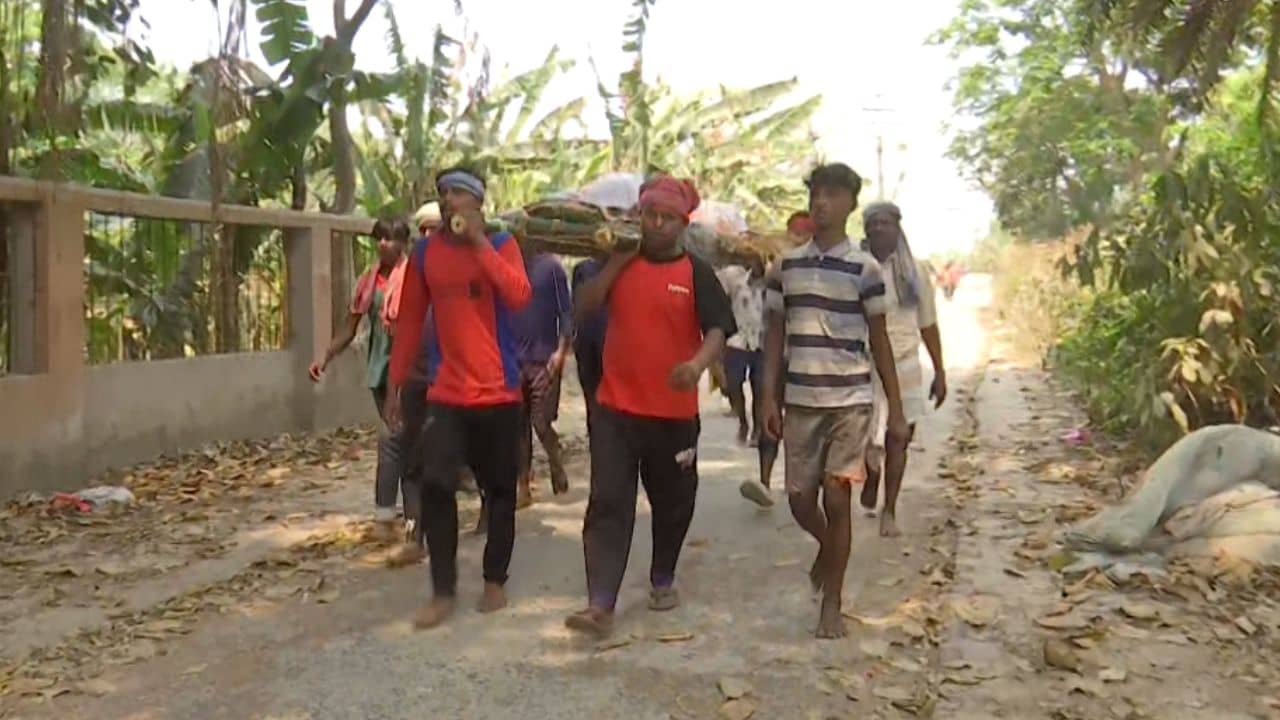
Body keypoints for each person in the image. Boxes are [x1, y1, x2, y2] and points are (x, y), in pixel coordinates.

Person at [564, 175, 736, 638]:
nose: (656, 225)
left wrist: (698, 364)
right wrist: (616, 265)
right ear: (639, 216)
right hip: (616, 410)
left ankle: (663, 576)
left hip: (674, 416)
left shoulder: (696, 272)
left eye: (667, 218)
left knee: (672, 502)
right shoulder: (615, 264)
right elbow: (582, 309)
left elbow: (719, 327)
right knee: (608, 502)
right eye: (650, 215)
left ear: (682, 224)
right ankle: (600, 603)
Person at [760, 164, 907, 639]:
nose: (821, 203)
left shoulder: (864, 270)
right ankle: (829, 549)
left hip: (850, 401)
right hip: (800, 402)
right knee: (800, 500)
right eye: (816, 194)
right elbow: (774, 336)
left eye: (832, 195)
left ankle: (833, 603)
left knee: (836, 496)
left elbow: (880, 341)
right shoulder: (786, 266)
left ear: (850, 204)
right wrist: (767, 398)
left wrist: (897, 412)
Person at [384, 167, 532, 629]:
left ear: (478, 202)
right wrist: (395, 384)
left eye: (460, 194)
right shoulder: (426, 254)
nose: (450, 202)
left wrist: (477, 244)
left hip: (500, 390)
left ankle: (495, 579)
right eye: (445, 194)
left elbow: (519, 295)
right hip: (447, 392)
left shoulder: (503, 245)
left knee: (501, 490)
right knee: (435, 485)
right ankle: (442, 591)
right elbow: (409, 322)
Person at [309, 218, 409, 541]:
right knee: (401, 441)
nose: (383, 244)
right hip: (379, 372)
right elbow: (349, 327)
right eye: (379, 238)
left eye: (390, 238)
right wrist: (324, 357)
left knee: (393, 438)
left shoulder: (412, 280)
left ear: (402, 244)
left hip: (408, 372)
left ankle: (387, 517)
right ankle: (408, 517)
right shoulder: (368, 282)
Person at [858, 202, 946, 537]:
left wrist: (940, 371)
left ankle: (889, 509)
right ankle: (872, 476)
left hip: (905, 360)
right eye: (873, 223)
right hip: (863, 363)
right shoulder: (856, 266)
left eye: (886, 223)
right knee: (864, 438)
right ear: (865, 230)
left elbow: (928, 323)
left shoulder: (914, 271)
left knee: (900, 436)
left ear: (897, 227)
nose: (879, 228)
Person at [739, 211, 815, 508]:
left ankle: (799, 483)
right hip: (773, 352)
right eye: (791, 234)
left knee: (802, 422)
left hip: (808, 358)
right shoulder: (776, 267)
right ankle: (766, 481)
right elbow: (759, 294)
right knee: (767, 413)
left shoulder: (817, 267)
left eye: (800, 235)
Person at [510, 236, 572, 506]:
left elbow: (567, 314)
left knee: (540, 422)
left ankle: (555, 458)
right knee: (518, 426)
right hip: (514, 361)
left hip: (544, 359)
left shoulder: (551, 268)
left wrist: (560, 352)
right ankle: (522, 486)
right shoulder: (506, 268)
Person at [570, 250, 608, 435]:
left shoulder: (629, 268)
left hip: (613, 346)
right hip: (587, 344)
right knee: (592, 400)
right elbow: (576, 307)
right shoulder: (583, 269)